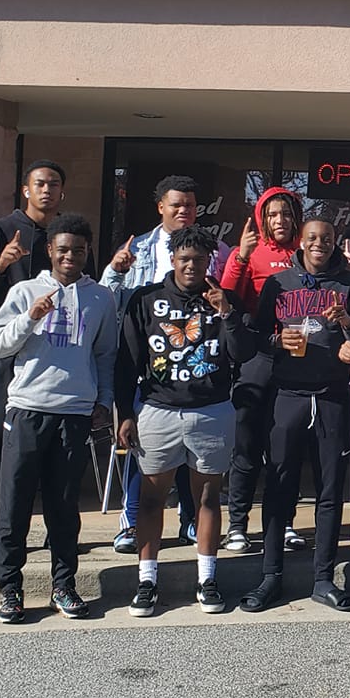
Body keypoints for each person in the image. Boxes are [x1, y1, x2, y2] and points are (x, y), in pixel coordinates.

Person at [117, 226, 258, 617]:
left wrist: (226, 312)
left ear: (209, 261)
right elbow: (127, 361)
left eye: (198, 259)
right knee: (151, 498)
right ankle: (147, 581)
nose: (191, 266)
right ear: (172, 260)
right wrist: (124, 413)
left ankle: (207, 579)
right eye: (184, 259)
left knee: (208, 498)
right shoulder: (146, 299)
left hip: (211, 410)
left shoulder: (223, 299)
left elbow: (243, 353)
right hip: (158, 410)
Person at [0, 214, 117, 624]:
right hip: (27, 409)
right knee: (15, 504)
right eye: (62, 250)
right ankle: (11, 589)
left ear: (87, 252)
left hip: (74, 413)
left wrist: (104, 400)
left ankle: (64, 585)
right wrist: (30, 318)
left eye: (78, 250)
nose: (70, 257)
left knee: (63, 507)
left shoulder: (101, 298)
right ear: (50, 251)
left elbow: (105, 355)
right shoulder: (25, 291)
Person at [240, 216, 350, 613]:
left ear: (335, 242)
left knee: (329, 491)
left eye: (327, 238)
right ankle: (270, 576)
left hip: (333, 396)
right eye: (313, 237)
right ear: (301, 241)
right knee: (279, 487)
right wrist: (277, 339)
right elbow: (257, 335)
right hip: (288, 394)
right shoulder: (280, 283)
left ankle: (323, 579)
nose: (320, 244)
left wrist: (347, 325)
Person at [101, 174, 231, 553]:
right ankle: (131, 524)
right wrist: (116, 271)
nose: (183, 210)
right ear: (161, 207)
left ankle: (191, 522)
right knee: (143, 454)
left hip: (199, 366)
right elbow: (111, 301)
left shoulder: (215, 250)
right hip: (152, 367)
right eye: (176, 204)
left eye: (189, 204)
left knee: (197, 461)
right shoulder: (138, 248)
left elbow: (227, 299)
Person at [0, 159, 71, 561]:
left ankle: (54, 531)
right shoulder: (0, 230)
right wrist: (2, 263)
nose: (47, 190)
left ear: (62, 192)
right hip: (9, 356)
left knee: (52, 450)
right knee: (0, 445)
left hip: (56, 358)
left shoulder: (67, 235)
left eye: (54, 184)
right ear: (26, 190)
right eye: (40, 183)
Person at [218, 185, 303, 554]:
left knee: (286, 448)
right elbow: (226, 298)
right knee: (247, 445)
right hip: (257, 355)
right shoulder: (250, 251)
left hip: (296, 357)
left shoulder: (305, 251)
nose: (279, 220)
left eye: (285, 214)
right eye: (272, 215)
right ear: (262, 219)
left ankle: (284, 523)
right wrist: (241, 256)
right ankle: (237, 525)